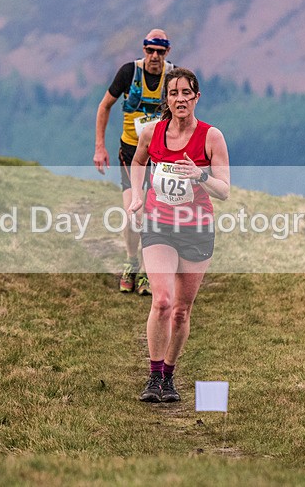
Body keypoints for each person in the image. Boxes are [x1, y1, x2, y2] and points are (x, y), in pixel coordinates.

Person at [127, 68, 230, 403]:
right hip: (158, 224)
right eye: (174, 93)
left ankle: (169, 376)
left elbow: (224, 190)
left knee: (182, 311)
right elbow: (138, 162)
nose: (180, 99)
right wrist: (137, 194)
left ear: (197, 97)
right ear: (167, 99)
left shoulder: (211, 137)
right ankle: (154, 376)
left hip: (196, 229)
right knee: (162, 301)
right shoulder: (152, 132)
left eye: (187, 93)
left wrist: (200, 175)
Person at [94, 29, 174, 296]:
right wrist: (100, 147)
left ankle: (148, 272)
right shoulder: (129, 73)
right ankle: (131, 262)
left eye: (160, 52)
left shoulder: (173, 77)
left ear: (167, 52)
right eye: (150, 51)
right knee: (132, 214)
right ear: (144, 50)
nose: (154, 56)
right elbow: (104, 106)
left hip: (161, 156)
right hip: (130, 154)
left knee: (154, 216)